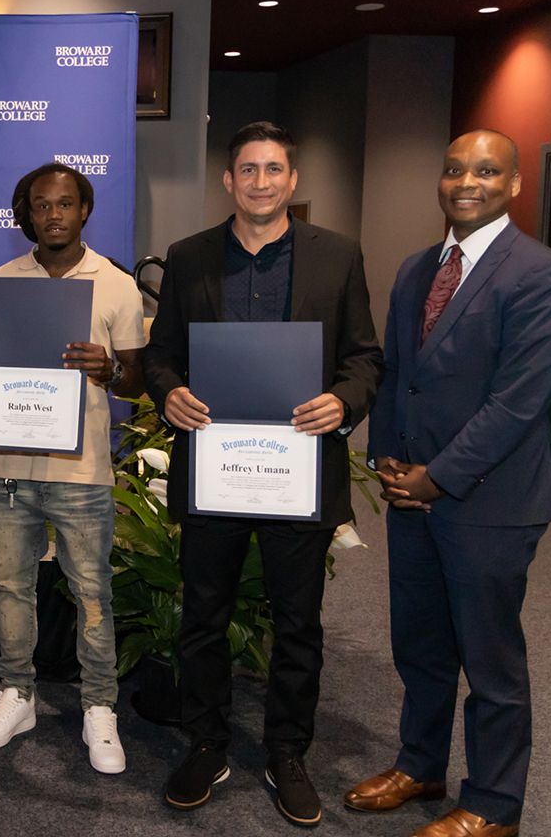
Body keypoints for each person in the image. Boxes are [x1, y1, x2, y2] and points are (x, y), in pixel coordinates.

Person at [143, 121, 382, 825]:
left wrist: (342, 400)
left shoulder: (337, 257)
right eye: (247, 170)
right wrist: (168, 392)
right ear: (229, 181)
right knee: (204, 617)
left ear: (292, 180)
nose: (260, 182)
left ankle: (286, 752)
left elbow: (365, 357)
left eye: (273, 169)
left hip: (298, 469)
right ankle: (207, 743)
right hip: (215, 469)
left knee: (298, 622)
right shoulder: (189, 259)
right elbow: (160, 356)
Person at [344, 130, 551, 837]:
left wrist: (441, 478)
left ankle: (495, 805)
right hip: (412, 495)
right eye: (456, 168)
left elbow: (520, 401)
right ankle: (421, 764)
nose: (468, 181)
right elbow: (402, 375)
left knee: (491, 660)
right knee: (422, 644)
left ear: (515, 184)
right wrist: (389, 464)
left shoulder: (537, 273)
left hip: (489, 500)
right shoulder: (416, 269)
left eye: (488, 170)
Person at [0, 163, 145, 774]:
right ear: (26, 214)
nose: (54, 215)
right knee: (13, 589)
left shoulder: (116, 285)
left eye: (65, 204)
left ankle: (99, 707)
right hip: (10, 467)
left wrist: (111, 369)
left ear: (84, 209)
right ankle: (17, 695)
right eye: (41, 205)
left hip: (83, 472)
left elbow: (140, 382)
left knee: (93, 594)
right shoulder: (2, 281)